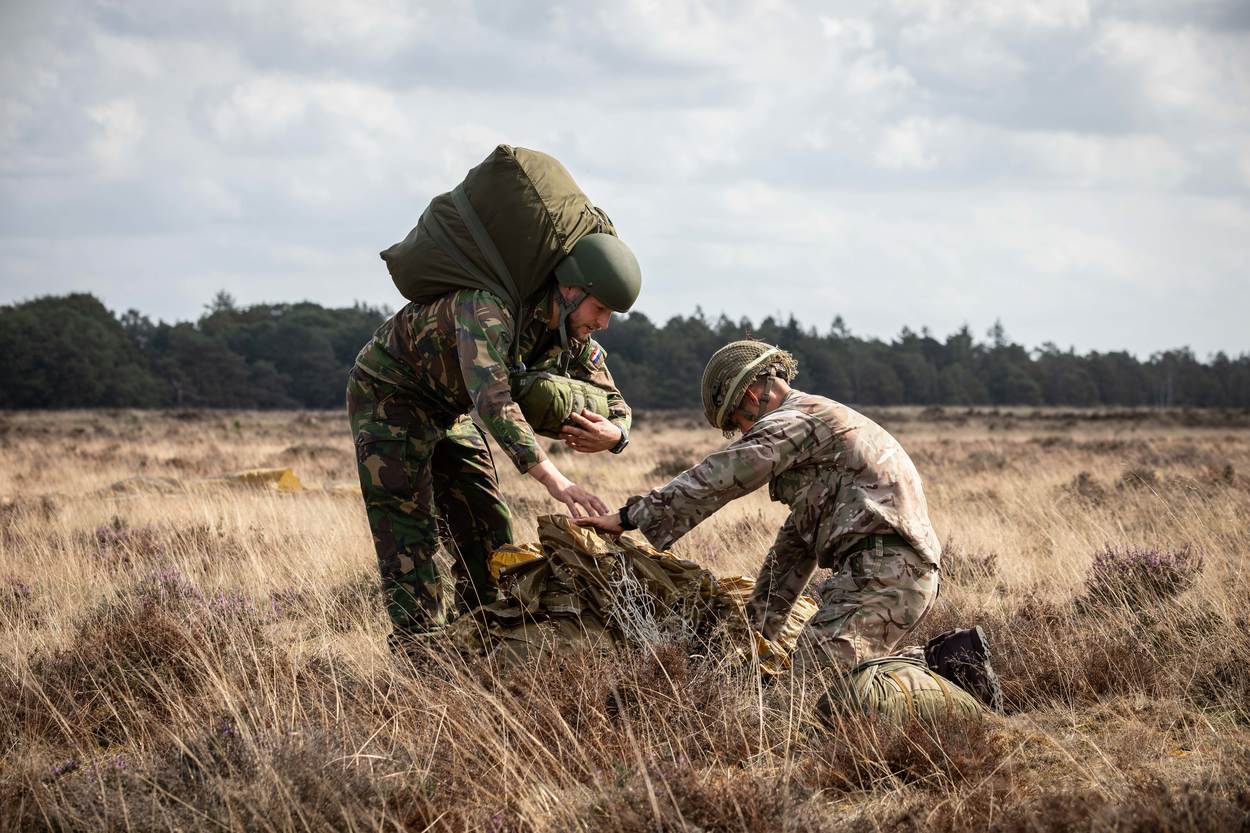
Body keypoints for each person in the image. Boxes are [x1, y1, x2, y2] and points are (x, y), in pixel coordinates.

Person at [577, 339, 1002, 711]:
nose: (742, 433)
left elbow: (725, 472)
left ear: (750, 395)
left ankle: (945, 678)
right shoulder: (818, 432)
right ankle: (951, 662)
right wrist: (754, 632)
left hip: (885, 572)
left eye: (737, 423)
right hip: (890, 574)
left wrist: (631, 516)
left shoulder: (793, 421)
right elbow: (794, 548)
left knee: (806, 697)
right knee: (840, 681)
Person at [349, 148, 642, 643]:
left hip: (450, 408)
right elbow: (493, 399)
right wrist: (558, 482)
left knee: (488, 525)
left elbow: (615, 402)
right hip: (391, 396)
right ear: (571, 289)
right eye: (600, 309)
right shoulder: (487, 307)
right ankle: (420, 660)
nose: (604, 323)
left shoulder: (568, 331)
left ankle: (479, 641)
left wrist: (617, 435)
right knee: (409, 532)